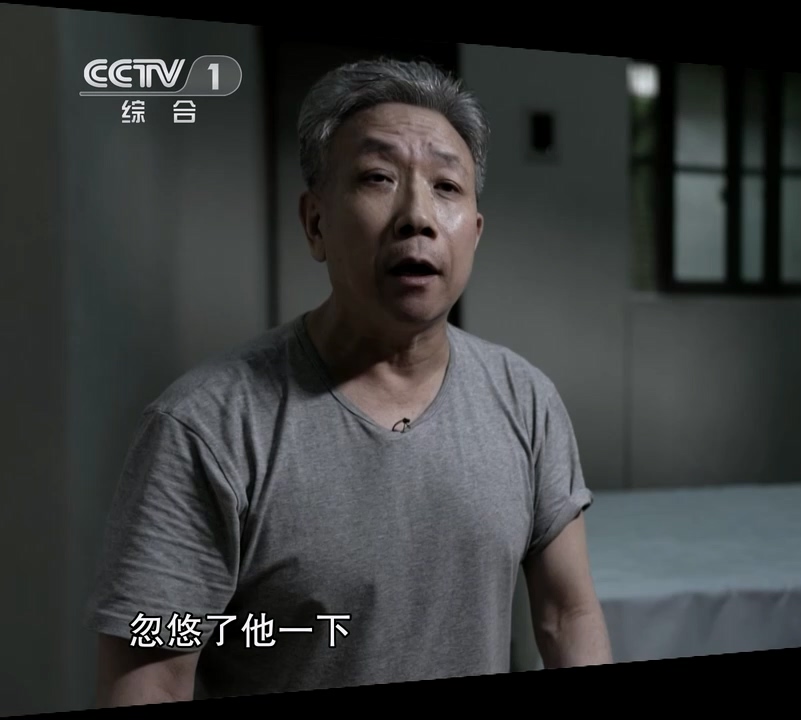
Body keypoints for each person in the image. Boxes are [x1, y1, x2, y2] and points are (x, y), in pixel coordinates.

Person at [87, 57, 612, 706]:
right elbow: (152, 680)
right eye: (377, 177)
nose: (418, 215)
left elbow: (567, 616)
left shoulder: (526, 399)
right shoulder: (204, 427)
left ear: (474, 234)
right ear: (316, 224)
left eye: (447, 186)